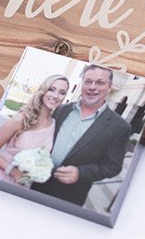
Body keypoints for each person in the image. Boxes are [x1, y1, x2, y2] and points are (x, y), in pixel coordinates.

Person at [31, 64, 133, 206]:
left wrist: (81, 173)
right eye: (88, 81)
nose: (92, 87)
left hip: (69, 196)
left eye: (99, 83)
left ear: (109, 87)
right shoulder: (61, 110)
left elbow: (113, 166)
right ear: (82, 84)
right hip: (37, 184)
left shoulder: (119, 127)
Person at [0, 74, 69, 184]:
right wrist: (13, 172)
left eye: (62, 92)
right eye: (51, 89)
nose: (56, 96)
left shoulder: (54, 124)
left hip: (24, 184)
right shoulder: (21, 119)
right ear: (43, 91)